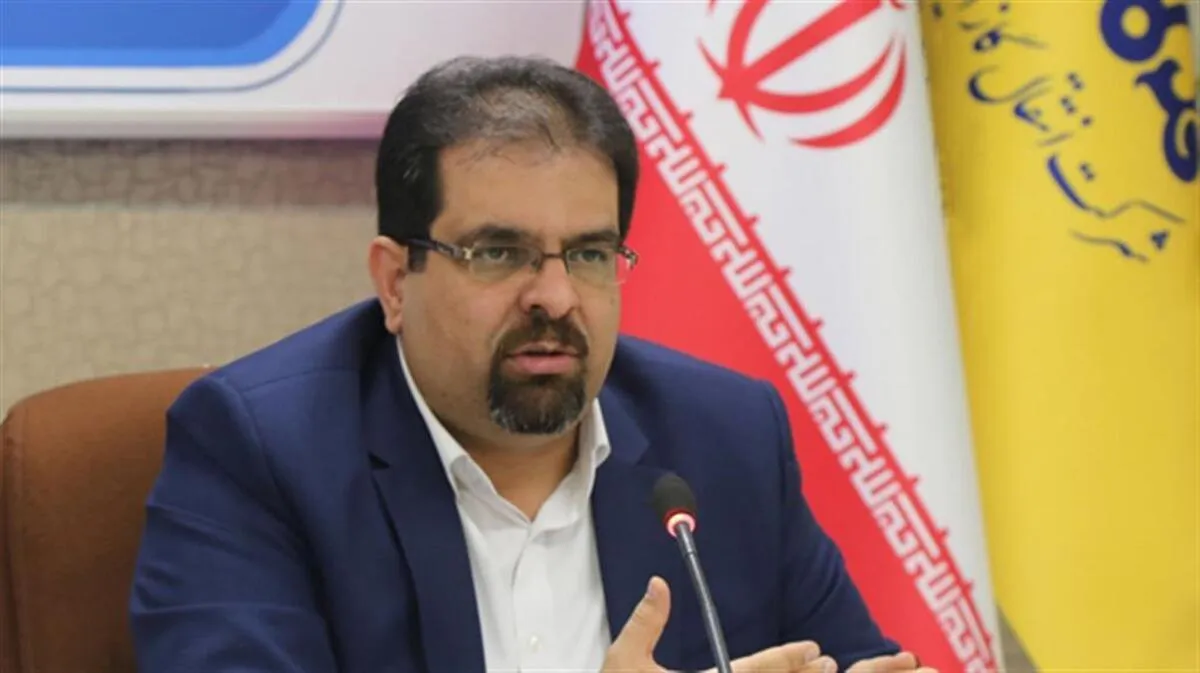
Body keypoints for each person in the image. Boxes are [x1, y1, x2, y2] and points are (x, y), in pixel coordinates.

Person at [129, 55, 934, 673]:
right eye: (498, 252)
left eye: (588, 253)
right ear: (395, 280)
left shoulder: (724, 437)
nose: (555, 295)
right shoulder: (260, 449)